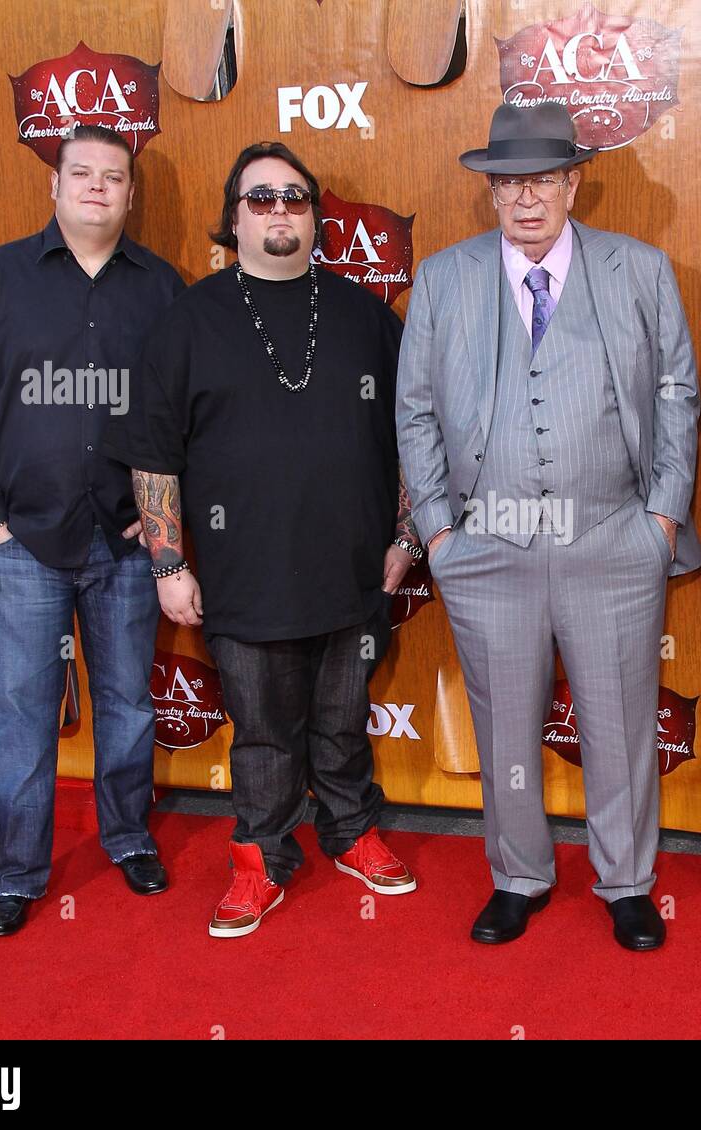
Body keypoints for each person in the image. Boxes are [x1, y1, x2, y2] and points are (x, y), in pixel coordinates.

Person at [397, 103, 701, 951]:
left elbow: (679, 395)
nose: (524, 199)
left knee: (620, 724)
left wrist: (662, 520)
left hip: (614, 542)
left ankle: (627, 881)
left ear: (573, 182)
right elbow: (414, 411)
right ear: (490, 190)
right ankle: (519, 875)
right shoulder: (445, 278)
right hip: (485, 547)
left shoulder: (640, 270)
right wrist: (440, 535)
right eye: (507, 183)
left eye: (541, 180)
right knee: (504, 727)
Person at [103, 141, 420, 939]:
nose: (279, 210)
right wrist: (170, 563)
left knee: (344, 721)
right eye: (260, 198)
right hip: (244, 577)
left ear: (314, 215)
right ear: (233, 219)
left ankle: (352, 833)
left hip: (355, 573)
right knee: (265, 734)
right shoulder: (190, 320)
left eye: (294, 197)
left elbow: (415, 437)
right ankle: (262, 858)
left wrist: (406, 538)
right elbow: (153, 453)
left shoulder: (365, 315)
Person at [0, 124, 185, 937]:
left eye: (113, 177)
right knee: (21, 715)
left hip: (123, 542)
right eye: (81, 173)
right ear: (53, 185)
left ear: (130, 193)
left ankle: (125, 836)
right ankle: (16, 874)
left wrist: (165, 534)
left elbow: (182, 417)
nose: (96, 188)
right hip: (24, 547)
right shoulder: (0, 279)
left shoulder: (162, 289)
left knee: (126, 704)